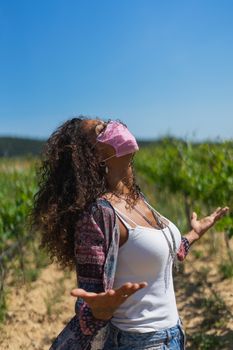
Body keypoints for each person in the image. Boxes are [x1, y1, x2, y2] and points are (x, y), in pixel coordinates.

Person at [31, 116, 229, 350]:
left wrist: (192, 236)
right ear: (93, 155)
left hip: (173, 336)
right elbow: (89, 304)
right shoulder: (98, 215)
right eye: (101, 130)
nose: (112, 127)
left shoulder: (138, 200)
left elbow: (156, 258)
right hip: (136, 343)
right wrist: (99, 310)